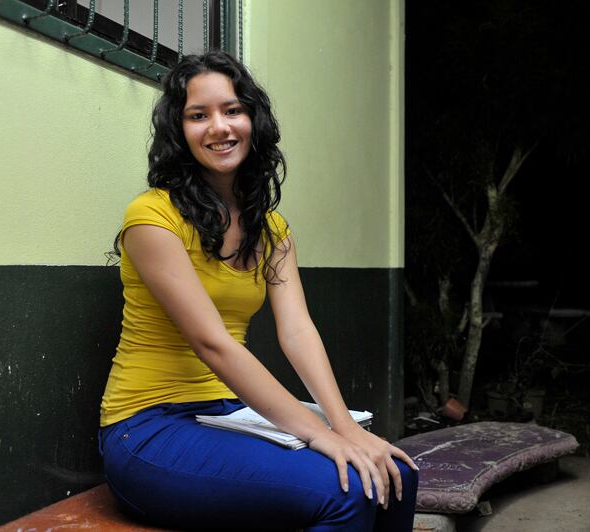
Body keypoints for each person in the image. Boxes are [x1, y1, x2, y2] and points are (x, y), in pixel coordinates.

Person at [98, 50, 418, 531]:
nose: (219, 127)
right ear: (178, 132)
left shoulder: (272, 230)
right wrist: (319, 435)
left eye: (232, 110)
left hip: (228, 414)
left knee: (395, 475)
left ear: (253, 120)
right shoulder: (152, 217)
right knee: (347, 490)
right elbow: (214, 343)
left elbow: (297, 331)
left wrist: (346, 427)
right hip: (147, 428)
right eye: (198, 115)